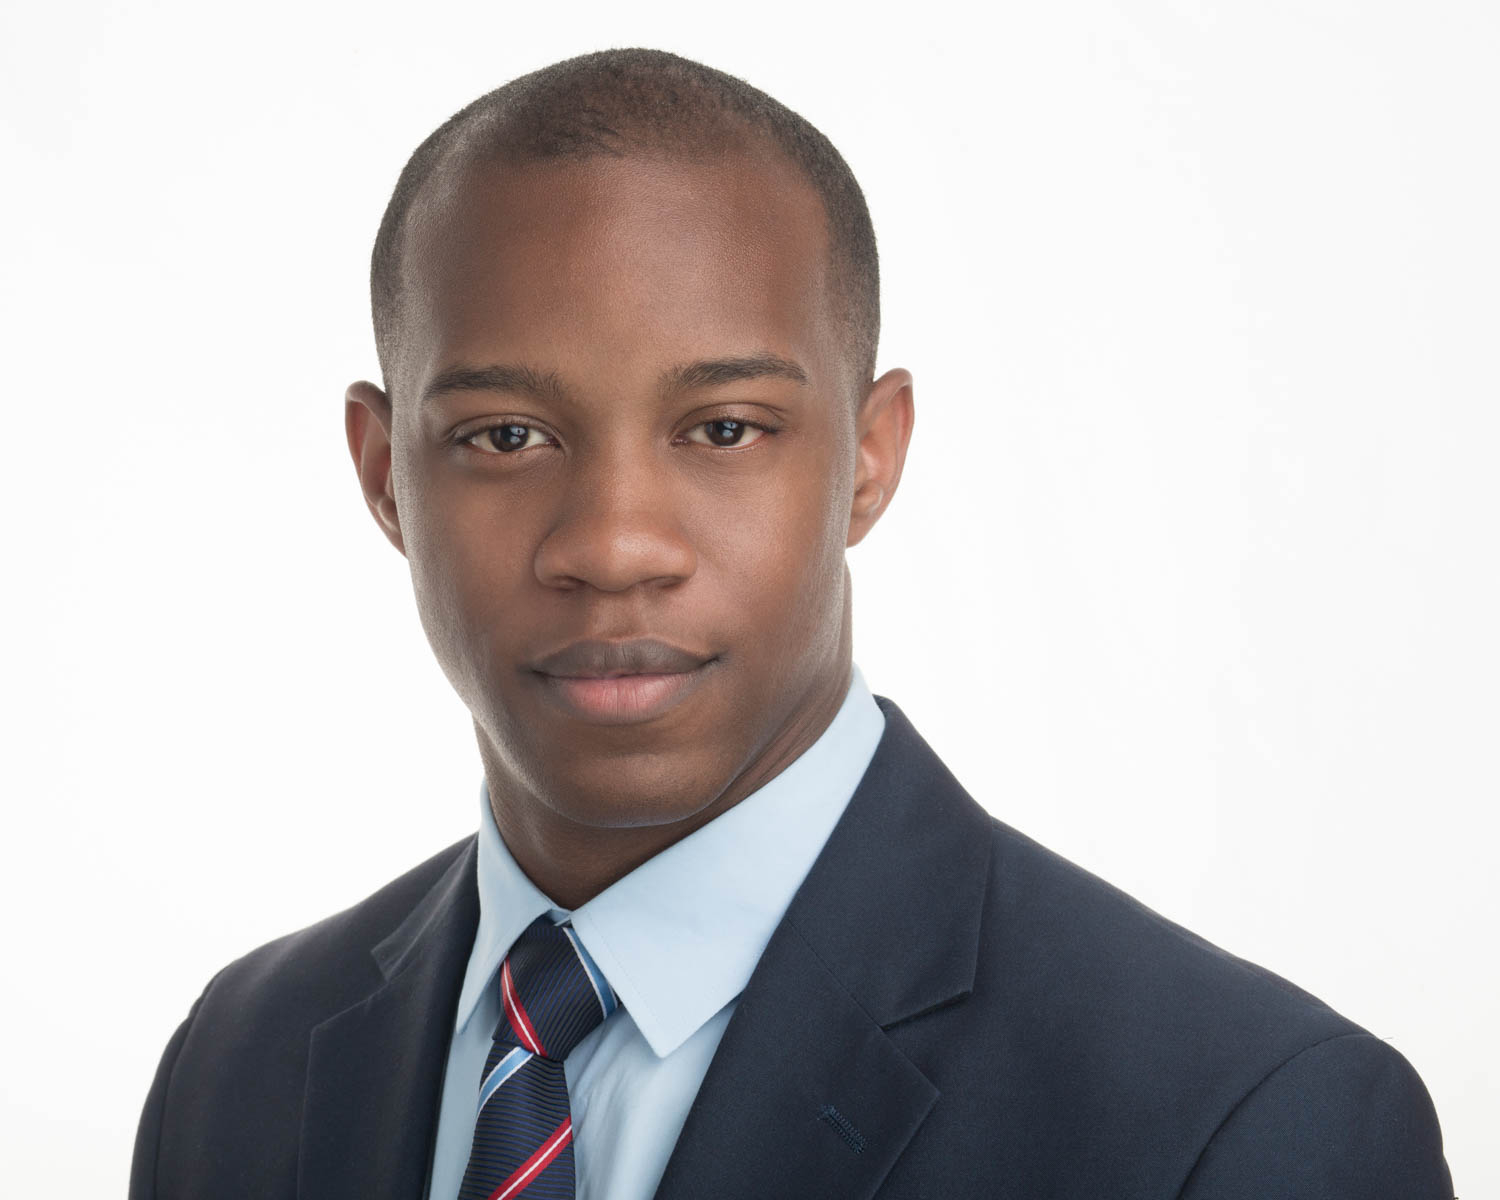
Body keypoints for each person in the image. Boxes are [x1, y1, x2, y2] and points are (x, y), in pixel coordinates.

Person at [130, 48, 1453, 1200]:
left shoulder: (1247, 1125)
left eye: (724, 429)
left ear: (870, 458)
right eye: (506, 436)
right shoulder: (239, 1067)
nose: (614, 546)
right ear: (384, 476)